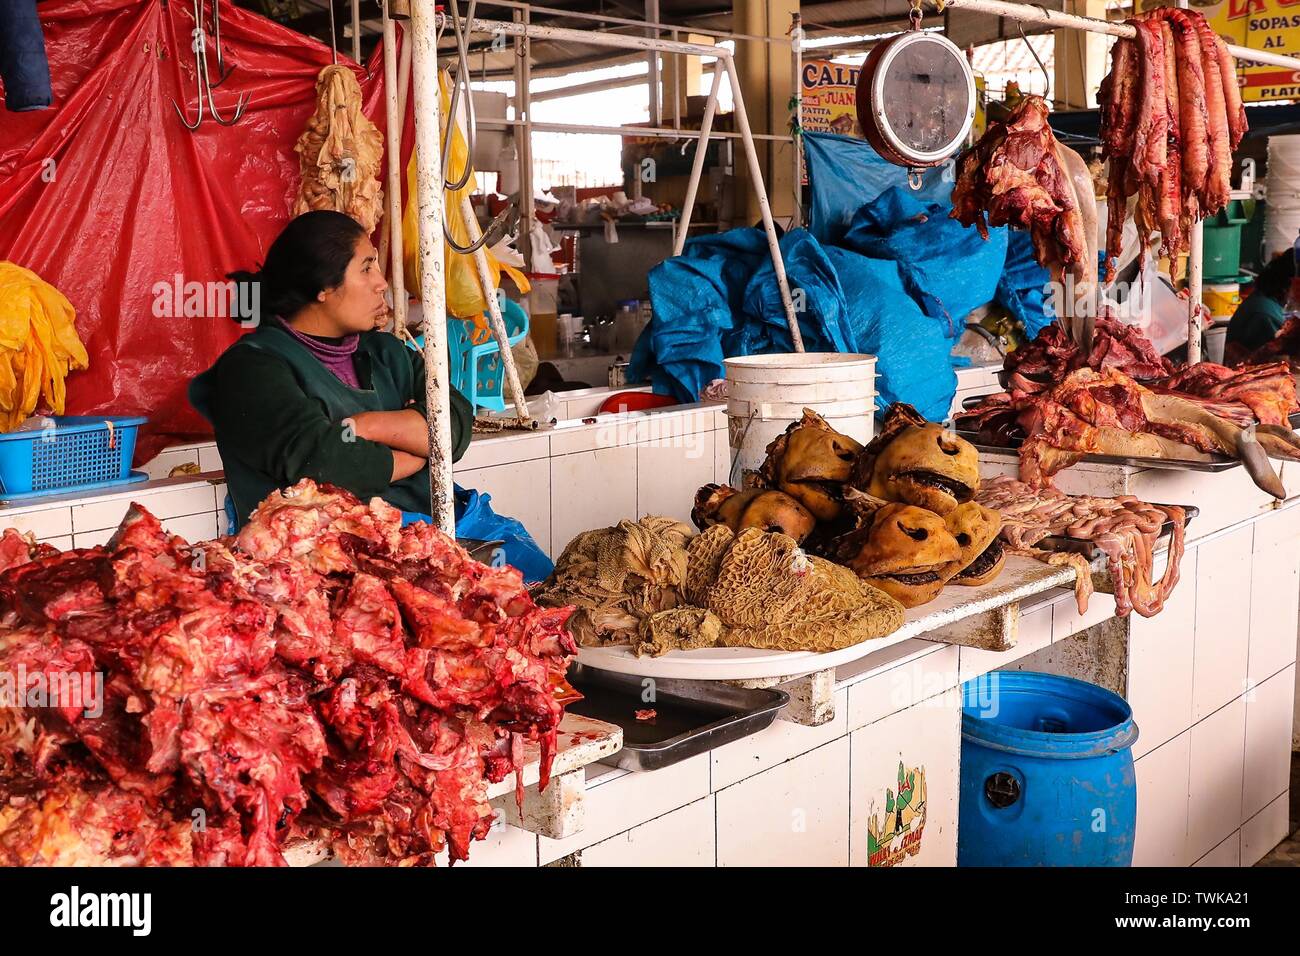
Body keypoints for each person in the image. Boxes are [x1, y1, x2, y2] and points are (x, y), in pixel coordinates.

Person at [1225, 250, 1298, 361]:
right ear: (1292, 282)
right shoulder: (1266, 315)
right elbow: (1281, 361)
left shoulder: (1266, 299)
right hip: (1251, 374)